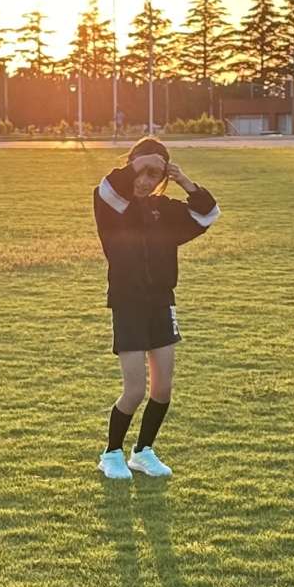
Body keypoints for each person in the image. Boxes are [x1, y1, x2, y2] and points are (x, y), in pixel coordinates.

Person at [93, 135, 218, 479]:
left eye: (154, 175)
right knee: (134, 389)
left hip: (162, 302)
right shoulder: (112, 205)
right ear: (131, 167)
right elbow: (107, 190)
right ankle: (111, 454)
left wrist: (185, 181)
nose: (146, 181)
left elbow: (208, 214)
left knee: (162, 389)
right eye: (142, 171)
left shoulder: (165, 210)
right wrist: (138, 162)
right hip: (128, 303)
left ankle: (143, 450)